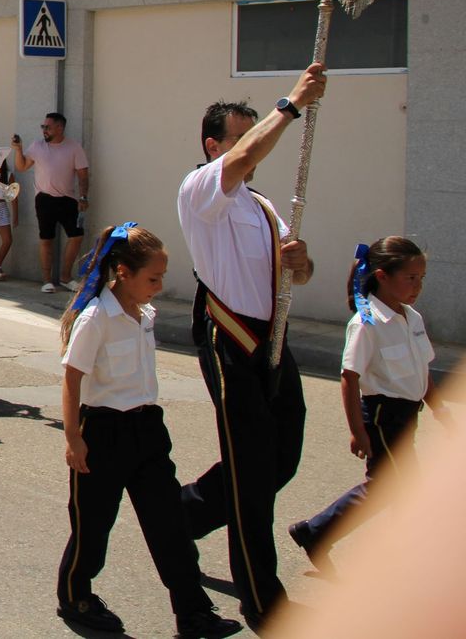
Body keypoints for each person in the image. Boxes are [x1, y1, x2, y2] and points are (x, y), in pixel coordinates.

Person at [176, 64, 325, 631]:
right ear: (214, 145)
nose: (249, 145)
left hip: (273, 337)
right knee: (251, 466)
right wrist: (290, 104)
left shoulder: (261, 204)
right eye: (239, 135)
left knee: (280, 455)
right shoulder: (202, 188)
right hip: (228, 333)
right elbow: (239, 161)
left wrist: (300, 262)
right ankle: (263, 598)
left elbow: (301, 272)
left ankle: (186, 511)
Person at [56, 223, 243, 639]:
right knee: (93, 524)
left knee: (169, 524)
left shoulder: (144, 314)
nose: (158, 287)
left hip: (147, 430)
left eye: (161, 278)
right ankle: (76, 594)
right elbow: (71, 378)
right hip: (102, 432)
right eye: (152, 278)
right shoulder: (96, 318)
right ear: (122, 271)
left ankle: (193, 612)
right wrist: (73, 438)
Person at [289, 237, 449, 566]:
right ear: (382, 277)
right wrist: (357, 430)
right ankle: (403, 554)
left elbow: (423, 369)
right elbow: (350, 378)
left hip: (407, 415)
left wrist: (439, 407)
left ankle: (317, 531)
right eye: (410, 278)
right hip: (381, 416)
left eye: (421, 278)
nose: (418, 286)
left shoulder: (412, 318)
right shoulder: (366, 324)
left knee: (388, 487)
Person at [13, 112, 91, 293]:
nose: (44, 130)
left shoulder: (74, 147)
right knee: (46, 239)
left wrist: (83, 196)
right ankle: (47, 280)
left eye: (47, 127)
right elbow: (22, 166)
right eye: (43, 127)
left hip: (68, 199)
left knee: (76, 236)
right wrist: (18, 149)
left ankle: (65, 277)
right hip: (44, 199)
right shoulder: (37, 146)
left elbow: (83, 174)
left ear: (59, 128)